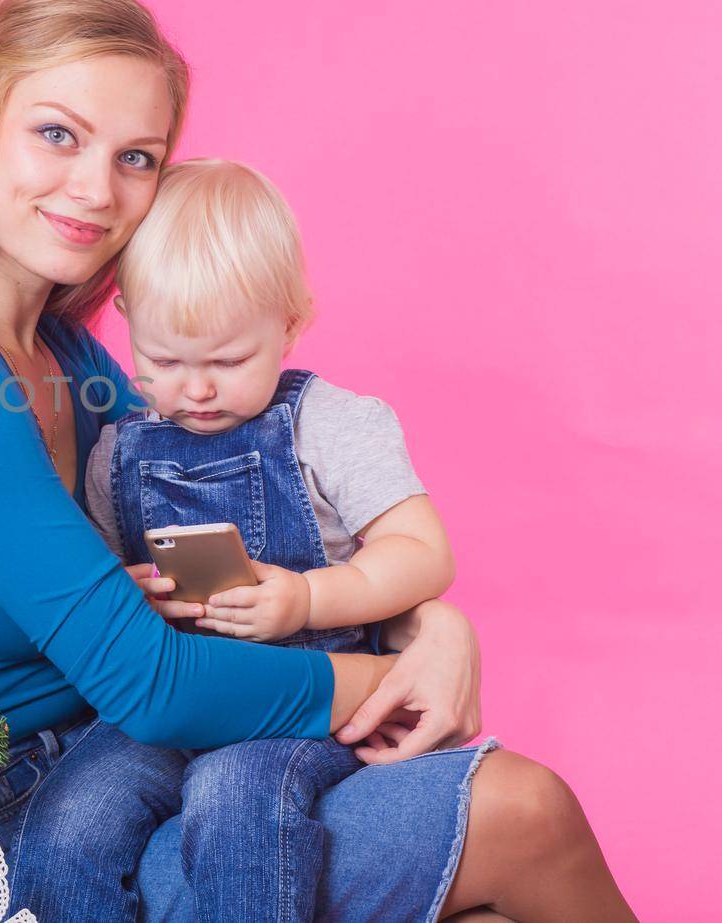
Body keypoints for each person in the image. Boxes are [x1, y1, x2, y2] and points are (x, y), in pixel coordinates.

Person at [0, 0, 635, 922]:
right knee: (524, 812)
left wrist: (433, 627)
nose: (97, 189)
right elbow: (152, 680)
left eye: (137, 155)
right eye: (57, 133)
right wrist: (389, 677)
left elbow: (200, 556)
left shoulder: (68, 356)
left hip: (125, 769)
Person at [83, 156, 458, 922]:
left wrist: (309, 596)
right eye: (163, 360)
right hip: (176, 702)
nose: (196, 388)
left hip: (305, 701)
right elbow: (94, 582)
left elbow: (424, 552)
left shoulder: (329, 425)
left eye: (228, 360)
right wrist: (128, 592)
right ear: (125, 318)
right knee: (71, 822)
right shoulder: (116, 451)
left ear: (290, 323)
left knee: (233, 799)